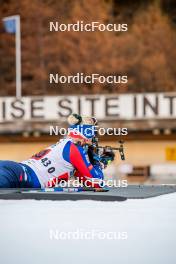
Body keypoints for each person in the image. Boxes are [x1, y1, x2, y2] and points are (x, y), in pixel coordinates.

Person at [0, 114, 114, 188]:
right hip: (20, 176)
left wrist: (98, 163)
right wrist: (98, 163)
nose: (94, 137)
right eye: (94, 133)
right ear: (87, 133)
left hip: (17, 172)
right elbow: (97, 182)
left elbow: (86, 181)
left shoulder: (68, 144)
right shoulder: (75, 149)